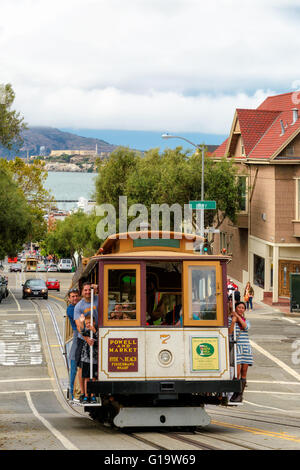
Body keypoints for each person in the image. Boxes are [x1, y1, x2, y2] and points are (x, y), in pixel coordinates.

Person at [74, 282, 99, 402]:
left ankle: (94, 394)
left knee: (95, 367)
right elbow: (79, 326)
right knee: (81, 367)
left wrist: (98, 287)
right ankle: (83, 394)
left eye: (90, 290)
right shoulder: (79, 306)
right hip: (83, 340)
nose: (88, 292)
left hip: (97, 337)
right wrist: (86, 339)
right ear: (82, 292)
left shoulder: (99, 299)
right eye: (85, 290)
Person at [228, 301, 253, 403]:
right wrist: (233, 321)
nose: (241, 309)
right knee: (236, 373)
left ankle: (240, 395)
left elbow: (245, 327)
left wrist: (237, 317)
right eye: (239, 307)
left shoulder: (246, 320)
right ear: (235, 308)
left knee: (244, 372)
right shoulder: (230, 320)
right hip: (237, 347)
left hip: (246, 348)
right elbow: (229, 333)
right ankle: (235, 393)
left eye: (243, 308)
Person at [78, 314, 98, 404]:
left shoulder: (96, 331)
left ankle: (93, 396)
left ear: (94, 322)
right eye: (87, 323)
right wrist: (82, 323)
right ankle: (86, 396)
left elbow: (98, 338)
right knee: (86, 378)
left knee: (93, 378)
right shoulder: (86, 331)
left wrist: (94, 330)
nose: (89, 324)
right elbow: (82, 331)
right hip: (86, 358)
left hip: (94, 359)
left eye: (90, 323)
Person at [66, 288, 80, 400]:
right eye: (73, 296)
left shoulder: (80, 305)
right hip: (77, 335)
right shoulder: (70, 309)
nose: (75, 298)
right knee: (73, 363)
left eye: (76, 296)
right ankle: (71, 392)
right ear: (69, 298)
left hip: (82, 335)